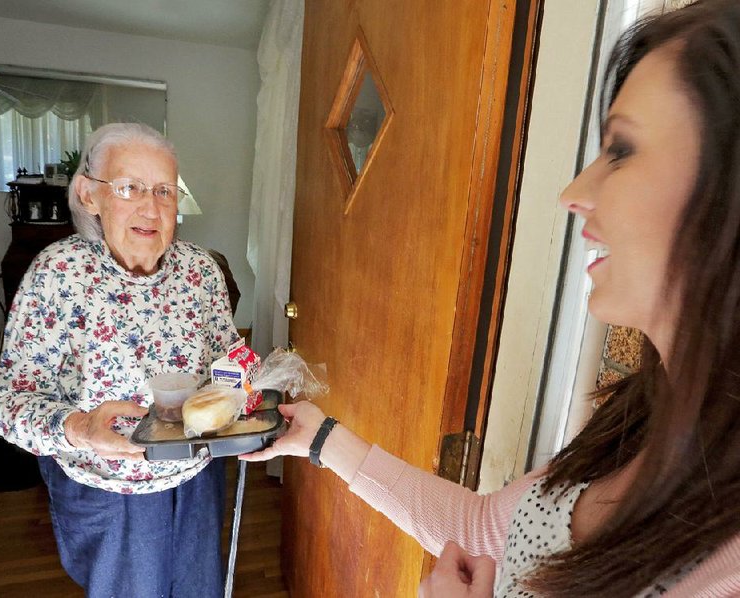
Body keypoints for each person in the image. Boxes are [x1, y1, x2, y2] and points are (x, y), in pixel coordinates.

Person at [241, 1, 740, 595]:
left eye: (623, 150)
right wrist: (321, 439)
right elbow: (481, 530)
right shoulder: (641, 419)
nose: (574, 193)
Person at [0, 122, 240, 598]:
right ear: (88, 195)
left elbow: (229, 356)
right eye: (129, 187)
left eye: (165, 190)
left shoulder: (201, 270)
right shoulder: (58, 273)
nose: (151, 206)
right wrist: (79, 428)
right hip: (109, 488)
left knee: (198, 590)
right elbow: (7, 402)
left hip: (197, 476)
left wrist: (245, 386)